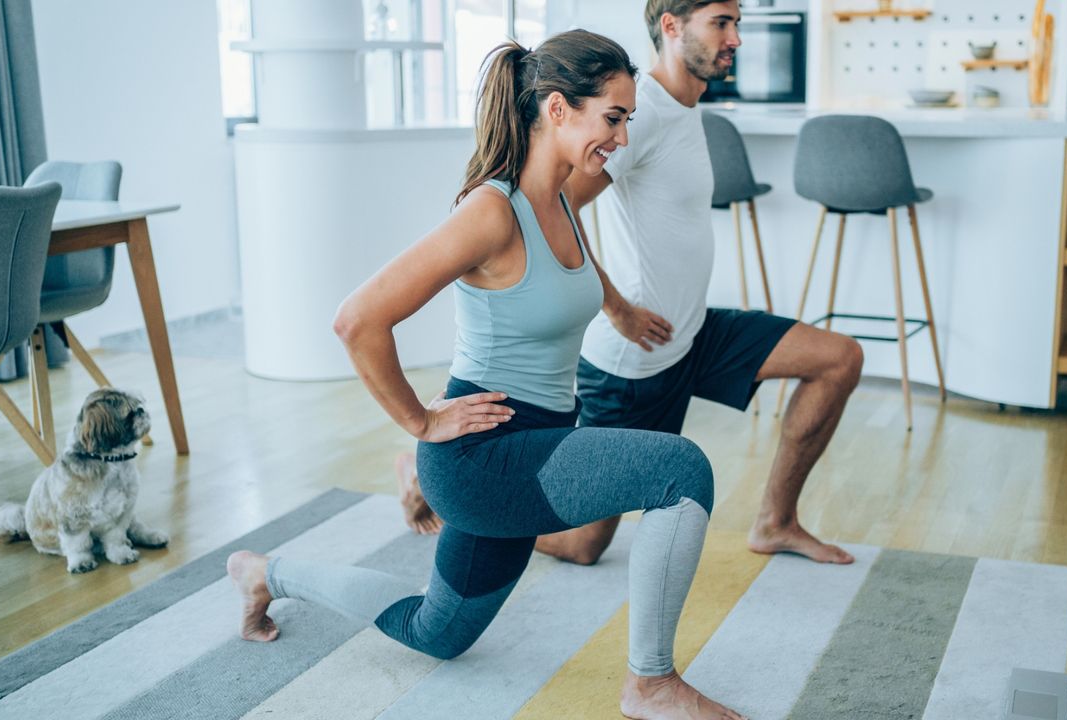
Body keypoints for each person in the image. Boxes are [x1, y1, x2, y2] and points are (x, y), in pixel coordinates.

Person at [228, 30, 746, 720]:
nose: (621, 139)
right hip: (484, 454)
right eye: (613, 119)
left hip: (528, 445)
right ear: (558, 109)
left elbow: (577, 288)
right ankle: (650, 682)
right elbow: (358, 320)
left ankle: (266, 573)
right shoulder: (490, 211)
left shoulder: (561, 198)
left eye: (627, 121)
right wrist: (421, 422)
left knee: (435, 633)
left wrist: (621, 311)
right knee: (681, 471)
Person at [400, 0, 865, 566]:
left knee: (837, 359)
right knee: (584, 544)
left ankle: (776, 522)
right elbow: (558, 207)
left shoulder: (674, 108)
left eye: (737, 22)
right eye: (721, 22)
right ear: (672, 27)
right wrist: (616, 307)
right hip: (634, 361)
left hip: (691, 334)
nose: (736, 38)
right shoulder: (634, 119)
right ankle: (444, 492)